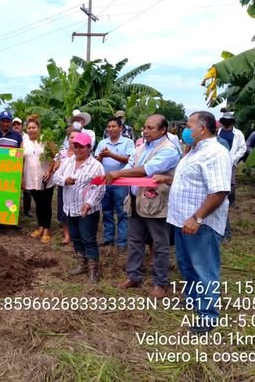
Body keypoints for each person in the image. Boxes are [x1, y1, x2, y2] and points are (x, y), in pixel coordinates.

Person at [163, 111, 232, 334]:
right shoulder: (194, 151)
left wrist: (197, 217)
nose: (185, 129)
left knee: (204, 268)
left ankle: (208, 315)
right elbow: (191, 180)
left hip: (200, 224)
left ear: (202, 129)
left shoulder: (216, 153)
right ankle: (193, 300)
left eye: (189, 125)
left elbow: (219, 191)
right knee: (187, 265)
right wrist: (167, 179)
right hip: (182, 220)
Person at [105, 114, 181, 298]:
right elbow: (130, 166)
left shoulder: (169, 150)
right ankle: (134, 276)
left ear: (163, 130)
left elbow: (147, 169)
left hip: (156, 203)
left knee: (160, 244)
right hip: (135, 201)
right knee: (135, 240)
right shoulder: (139, 148)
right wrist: (119, 174)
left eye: (150, 128)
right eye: (144, 127)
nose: (145, 131)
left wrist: (117, 174)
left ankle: (160, 282)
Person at [53, 133, 106, 284]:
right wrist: (65, 180)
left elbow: (100, 188)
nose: (77, 149)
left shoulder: (96, 166)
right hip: (70, 207)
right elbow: (56, 176)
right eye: (75, 146)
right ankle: (81, 264)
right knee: (75, 237)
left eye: (81, 146)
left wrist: (89, 203)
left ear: (89, 147)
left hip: (86, 210)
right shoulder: (68, 162)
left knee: (88, 239)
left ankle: (93, 271)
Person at [95, 117, 134, 252]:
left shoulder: (128, 143)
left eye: (113, 126)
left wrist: (110, 154)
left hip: (121, 182)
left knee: (122, 212)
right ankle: (108, 238)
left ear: (121, 128)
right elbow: (97, 161)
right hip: (105, 181)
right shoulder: (102, 143)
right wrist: (101, 156)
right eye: (109, 127)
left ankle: (122, 241)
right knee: (106, 211)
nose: (111, 129)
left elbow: (130, 159)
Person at [23, 115, 55, 244]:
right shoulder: (24, 142)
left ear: (38, 128)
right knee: (38, 203)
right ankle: (40, 227)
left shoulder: (46, 140)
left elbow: (55, 157)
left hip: (45, 177)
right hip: (31, 177)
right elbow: (22, 160)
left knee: (46, 203)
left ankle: (46, 230)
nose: (31, 130)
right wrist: (22, 178)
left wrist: (49, 170)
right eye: (29, 128)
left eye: (33, 127)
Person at [53, 129, 80, 244]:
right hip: (63, 186)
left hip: (78, 187)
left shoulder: (82, 153)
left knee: (77, 210)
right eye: (71, 137)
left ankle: (77, 234)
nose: (73, 140)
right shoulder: (62, 153)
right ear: (68, 139)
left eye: (76, 138)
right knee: (64, 211)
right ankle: (67, 235)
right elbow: (55, 168)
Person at [217, 112, 246, 208]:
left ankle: (231, 201)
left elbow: (243, 148)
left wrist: (234, 158)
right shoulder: (218, 132)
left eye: (229, 120)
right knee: (218, 179)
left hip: (231, 160)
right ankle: (218, 200)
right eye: (225, 120)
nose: (227, 122)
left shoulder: (238, 134)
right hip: (218, 159)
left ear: (232, 122)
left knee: (231, 181)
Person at [12, 117, 32, 216]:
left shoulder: (28, 137)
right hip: (12, 168)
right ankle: (13, 211)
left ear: (22, 126)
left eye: (18, 124)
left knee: (27, 190)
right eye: (14, 124)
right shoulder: (10, 136)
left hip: (26, 166)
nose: (16, 126)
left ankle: (27, 210)